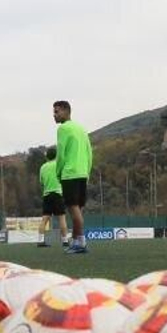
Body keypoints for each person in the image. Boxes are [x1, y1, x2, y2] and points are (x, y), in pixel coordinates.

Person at [54, 100, 92, 254]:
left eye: (57, 111)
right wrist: (87, 172)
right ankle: (76, 241)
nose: (54, 115)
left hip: (70, 174)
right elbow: (89, 152)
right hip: (83, 173)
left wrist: (58, 172)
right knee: (78, 210)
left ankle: (81, 242)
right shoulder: (82, 129)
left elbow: (61, 154)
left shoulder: (63, 129)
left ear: (66, 111)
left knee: (73, 209)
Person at [37, 146, 65, 248]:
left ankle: (40, 241)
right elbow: (63, 177)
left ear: (47, 157)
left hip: (47, 194)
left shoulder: (43, 167)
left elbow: (41, 182)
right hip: (58, 194)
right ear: (56, 156)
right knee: (62, 218)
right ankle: (65, 241)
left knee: (44, 219)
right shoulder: (59, 165)